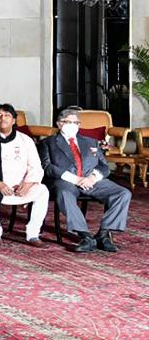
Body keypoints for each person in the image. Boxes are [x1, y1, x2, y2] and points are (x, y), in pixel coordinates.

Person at [40, 106, 130, 253]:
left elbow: (104, 166)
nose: (73, 125)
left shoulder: (91, 142)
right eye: (68, 122)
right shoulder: (48, 143)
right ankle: (85, 236)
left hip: (91, 181)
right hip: (66, 181)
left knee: (122, 193)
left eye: (76, 123)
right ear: (59, 124)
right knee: (64, 194)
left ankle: (104, 234)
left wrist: (92, 178)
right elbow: (47, 167)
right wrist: (75, 179)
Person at [0, 103, 49, 248]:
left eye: (7, 115)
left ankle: (33, 234)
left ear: (14, 120)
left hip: (20, 184)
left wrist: (27, 184)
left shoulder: (25, 140)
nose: (3, 118)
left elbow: (36, 167)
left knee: (43, 191)